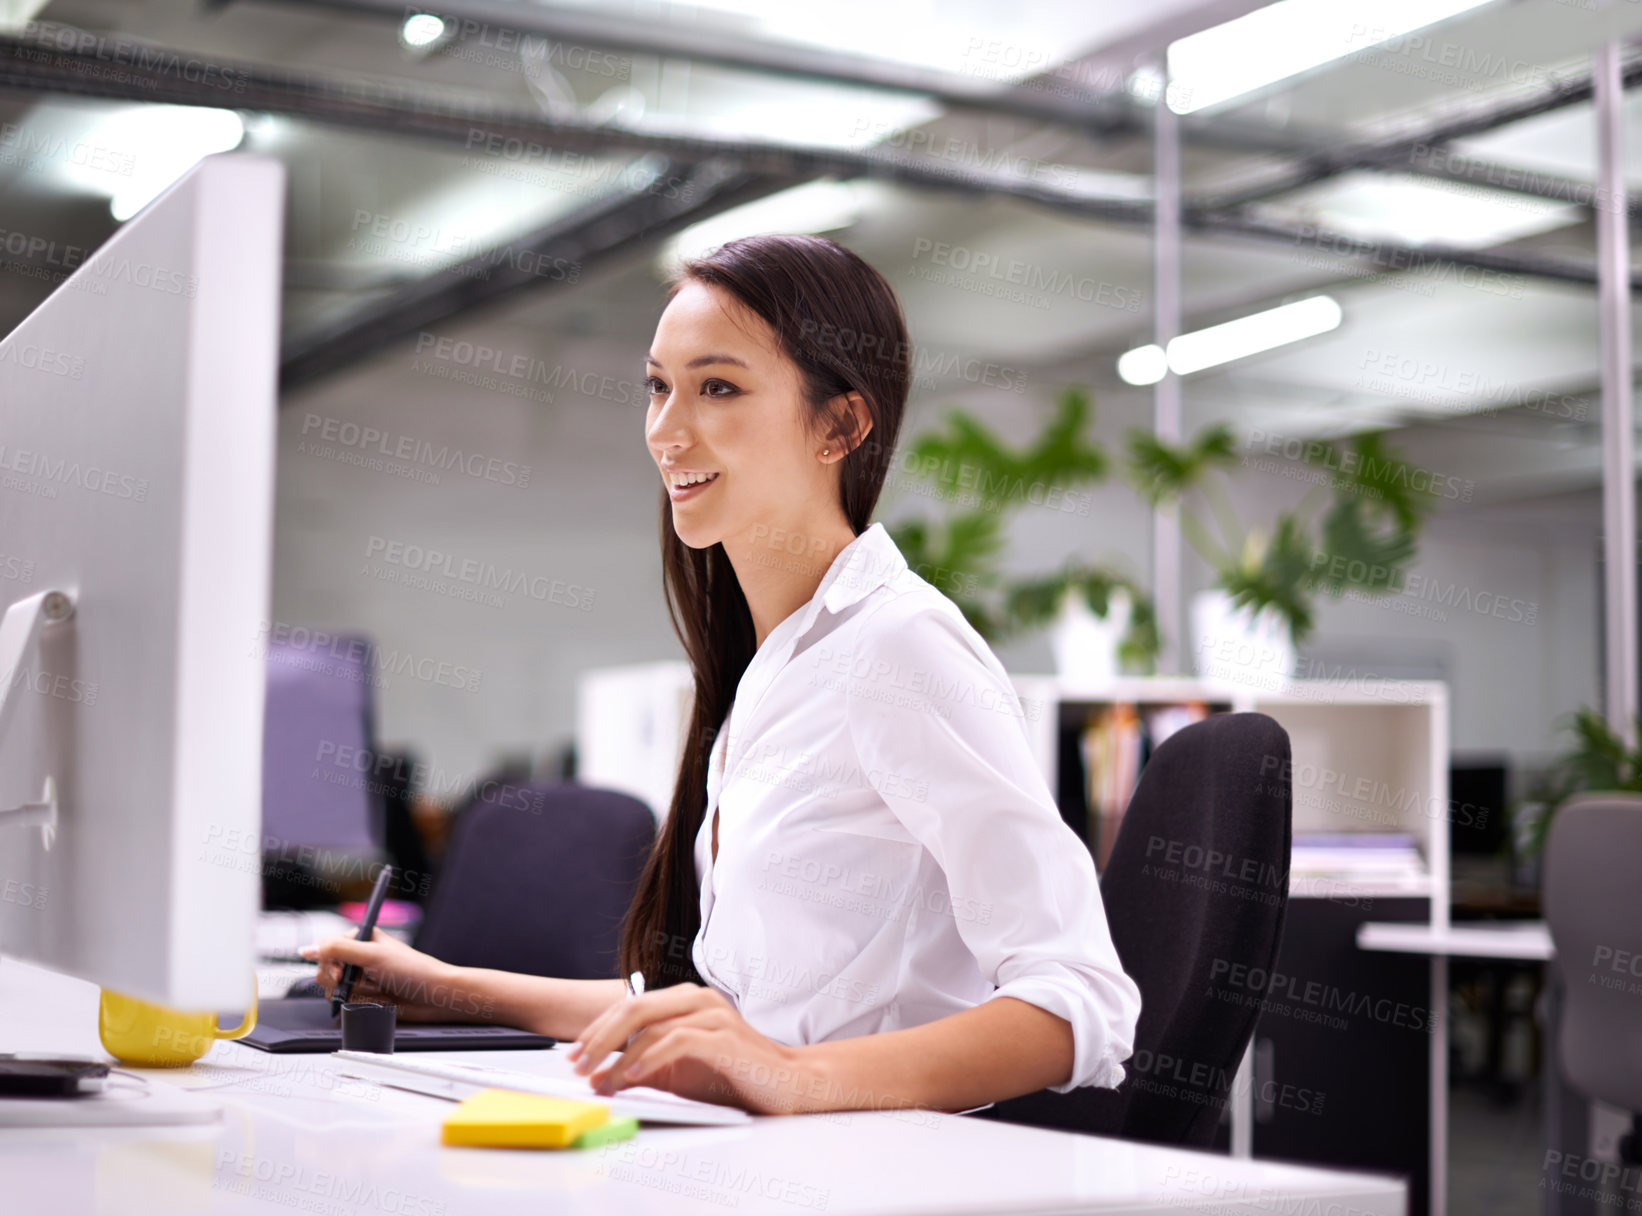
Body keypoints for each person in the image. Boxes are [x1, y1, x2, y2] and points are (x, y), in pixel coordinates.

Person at [303, 233, 1141, 1116]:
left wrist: (791, 1079)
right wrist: (449, 988)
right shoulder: (775, 667)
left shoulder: (902, 647)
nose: (666, 431)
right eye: (659, 386)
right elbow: (735, 1022)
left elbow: (1080, 1001)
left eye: (719, 388)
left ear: (841, 426)